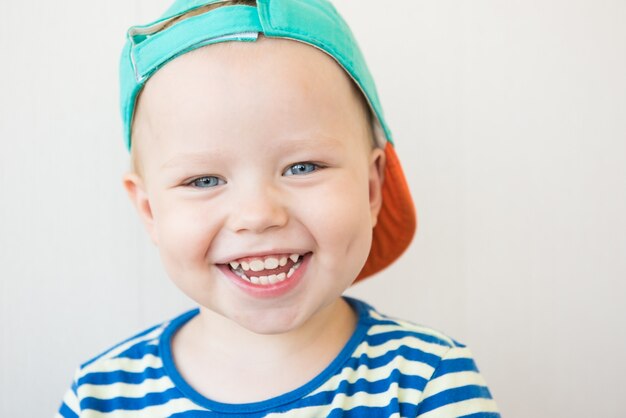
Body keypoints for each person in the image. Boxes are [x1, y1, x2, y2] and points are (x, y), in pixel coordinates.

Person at [58, 0, 500, 416]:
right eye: (204, 180)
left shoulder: (428, 383)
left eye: (303, 166)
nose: (258, 214)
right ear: (150, 210)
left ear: (371, 188)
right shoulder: (101, 397)